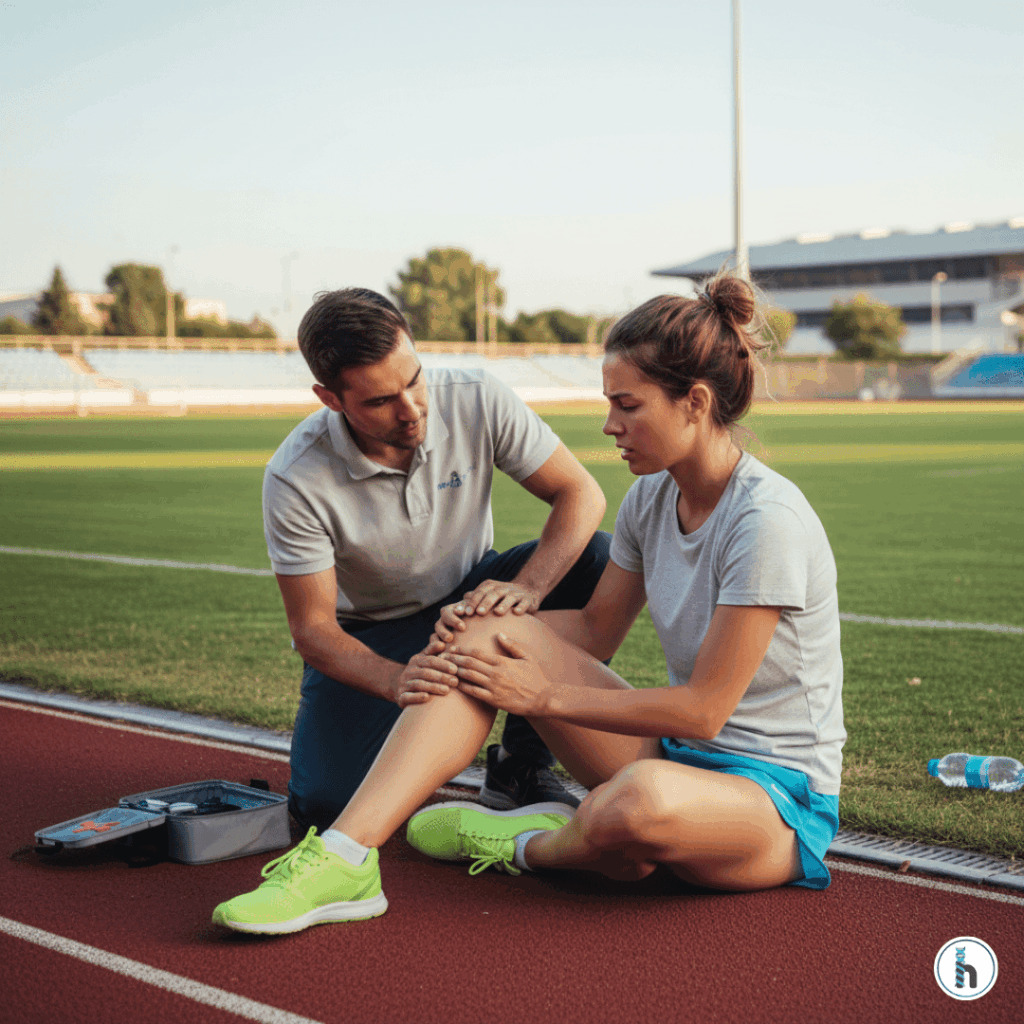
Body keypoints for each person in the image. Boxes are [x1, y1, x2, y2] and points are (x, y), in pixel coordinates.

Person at [212, 272, 845, 934]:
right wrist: (477, 637)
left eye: (627, 406)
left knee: (630, 811)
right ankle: (346, 857)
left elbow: (703, 710)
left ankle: (526, 842)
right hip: (678, 763)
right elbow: (596, 630)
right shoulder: (651, 498)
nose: (609, 426)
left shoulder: (765, 522)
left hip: (777, 799)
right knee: (489, 633)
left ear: (693, 402)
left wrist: (538, 696)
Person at [263, 287, 610, 834]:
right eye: (380, 401)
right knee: (326, 811)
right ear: (331, 400)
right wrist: (397, 680)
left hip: (473, 594)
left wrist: (531, 588)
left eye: (414, 379)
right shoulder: (295, 478)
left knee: (598, 559)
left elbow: (580, 494)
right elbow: (312, 630)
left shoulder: (474, 395)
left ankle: (520, 764)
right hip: (375, 632)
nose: (411, 409)